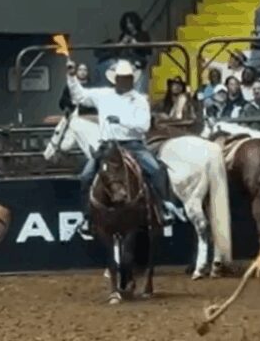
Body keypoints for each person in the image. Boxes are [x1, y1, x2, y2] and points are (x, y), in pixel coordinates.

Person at [65, 58, 182, 229]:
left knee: (156, 170)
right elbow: (79, 96)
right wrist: (71, 76)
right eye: (121, 78)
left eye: (127, 78)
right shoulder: (103, 95)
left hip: (132, 144)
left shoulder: (140, 99)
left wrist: (120, 121)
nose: (124, 81)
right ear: (116, 79)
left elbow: (144, 126)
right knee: (86, 176)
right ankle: (87, 217)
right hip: (107, 146)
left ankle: (164, 207)